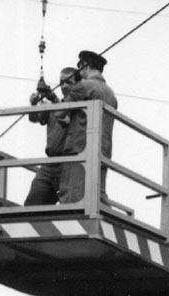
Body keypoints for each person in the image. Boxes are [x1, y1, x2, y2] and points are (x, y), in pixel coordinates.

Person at [58, 50, 118, 205]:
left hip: (80, 148)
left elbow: (59, 112)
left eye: (80, 67)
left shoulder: (83, 86)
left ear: (85, 65)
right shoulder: (111, 94)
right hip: (103, 150)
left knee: (72, 195)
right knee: (97, 192)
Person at [23, 67, 79, 206]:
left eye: (69, 82)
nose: (64, 86)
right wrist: (34, 104)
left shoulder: (79, 106)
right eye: (62, 82)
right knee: (32, 205)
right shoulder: (54, 105)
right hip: (50, 164)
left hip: (68, 164)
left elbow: (65, 112)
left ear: (77, 85)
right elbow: (33, 118)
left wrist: (52, 97)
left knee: (69, 208)